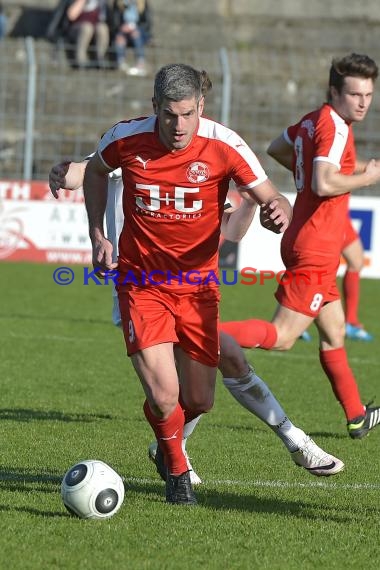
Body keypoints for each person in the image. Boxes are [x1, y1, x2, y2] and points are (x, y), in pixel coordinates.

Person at [48, 67, 344, 488]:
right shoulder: (127, 138)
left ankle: (169, 447)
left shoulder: (225, 145)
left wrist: (277, 211)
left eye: (188, 114)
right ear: (155, 109)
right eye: (170, 115)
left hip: (199, 290)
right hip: (141, 284)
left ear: (201, 107)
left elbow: (272, 199)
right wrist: (99, 234)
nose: (180, 125)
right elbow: (94, 170)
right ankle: (177, 472)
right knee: (166, 394)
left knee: (200, 400)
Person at [219, 53, 380, 441]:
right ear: (334, 92)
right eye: (355, 94)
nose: (363, 102)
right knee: (284, 336)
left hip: (305, 236)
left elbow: (278, 146)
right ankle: (199, 334)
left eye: (369, 94)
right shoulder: (335, 127)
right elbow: (325, 183)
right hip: (317, 246)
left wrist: (305, 175)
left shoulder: (312, 120)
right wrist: (367, 176)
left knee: (335, 331)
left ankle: (357, 415)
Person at [300, 213, 373, 342]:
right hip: (326, 212)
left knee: (356, 261)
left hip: (338, 212)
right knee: (317, 265)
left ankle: (350, 321)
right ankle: (297, 320)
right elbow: (322, 191)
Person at [66, 0, 110, 68]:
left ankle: (100, 57)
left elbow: (104, 17)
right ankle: (81, 59)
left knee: (103, 28)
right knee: (87, 28)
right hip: (78, 27)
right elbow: (71, 16)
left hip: (95, 26)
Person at [112, 0, 148, 76]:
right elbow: (114, 20)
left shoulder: (143, 3)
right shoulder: (118, 3)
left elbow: (147, 22)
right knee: (120, 38)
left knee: (136, 35)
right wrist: (121, 28)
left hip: (138, 29)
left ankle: (140, 63)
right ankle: (121, 63)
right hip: (122, 29)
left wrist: (134, 27)